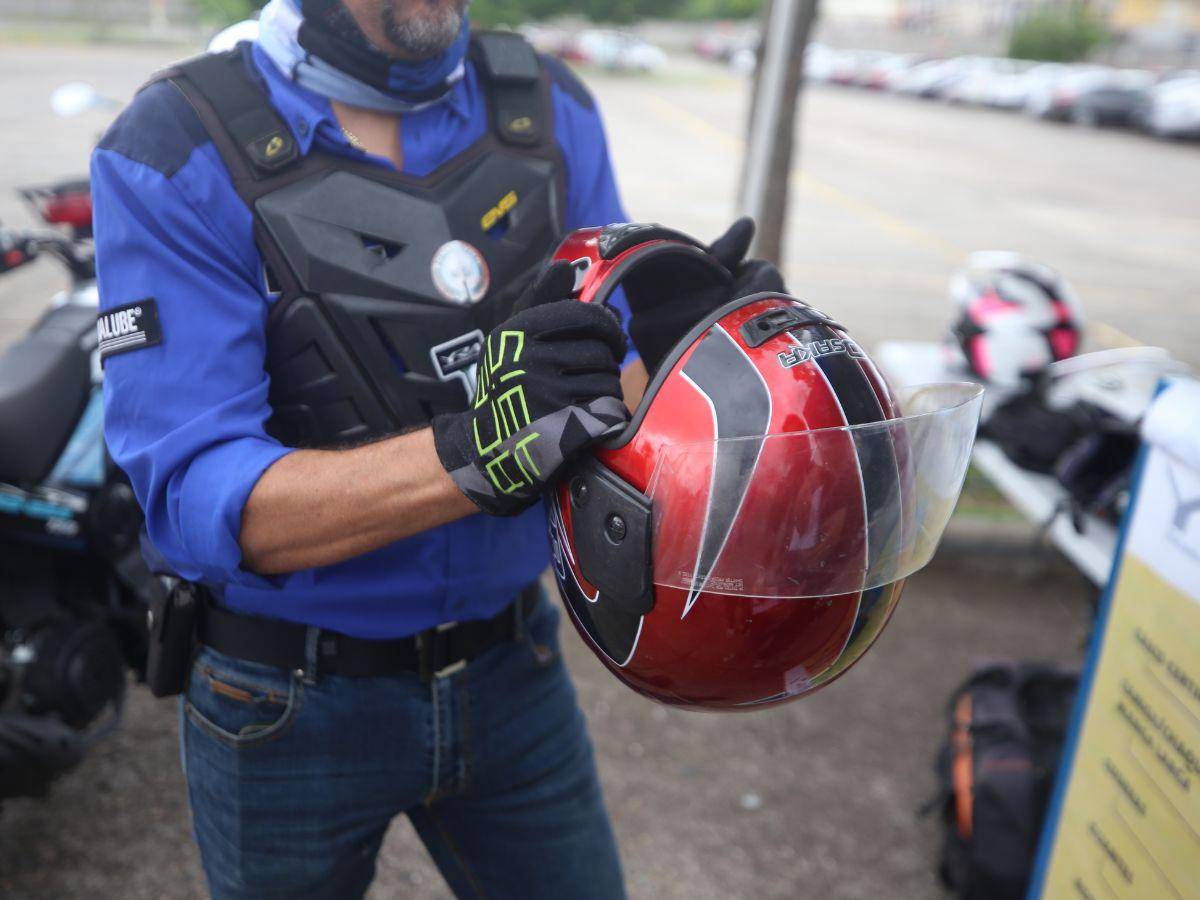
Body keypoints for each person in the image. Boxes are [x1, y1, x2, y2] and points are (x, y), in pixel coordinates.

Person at [91, 1, 777, 897]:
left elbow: (607, 383)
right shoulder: (176, 145)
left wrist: (697, 355)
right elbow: (194, 497)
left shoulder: (545, 105)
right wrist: (476, 450)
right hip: (285, 698)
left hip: (515, 665)